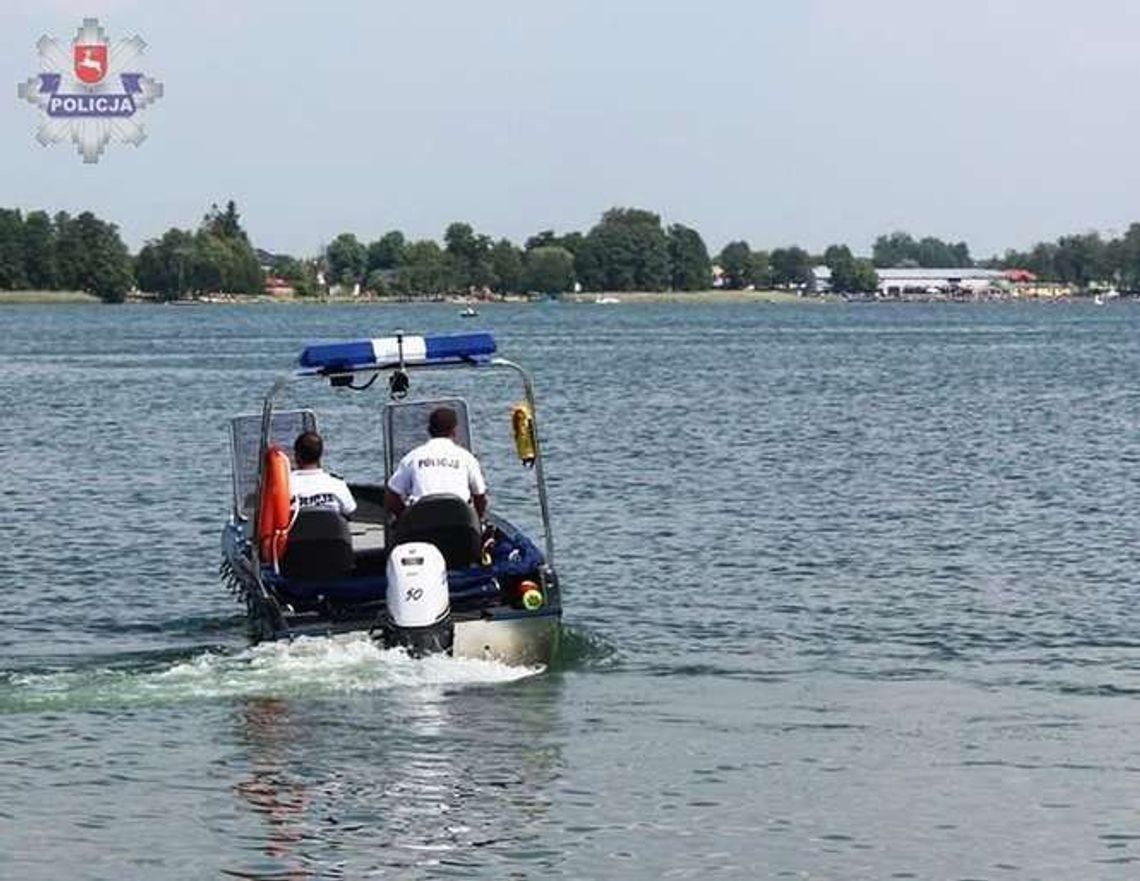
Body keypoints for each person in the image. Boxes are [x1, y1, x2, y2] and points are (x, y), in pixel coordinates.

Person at [385, 406, 487, 518]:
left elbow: (392, 496)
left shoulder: (412, 458)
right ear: (455, 431)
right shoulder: (467, 458)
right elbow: (480, 496)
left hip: (422, 524)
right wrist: (478, 521)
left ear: (429, 430)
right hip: (459, 523)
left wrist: (405, 517)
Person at [290, 430, 356, 517]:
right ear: (320, 455)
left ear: (296, 455)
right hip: (331, 530)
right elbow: (349, 509)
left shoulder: (284, 486)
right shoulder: (337, 484)